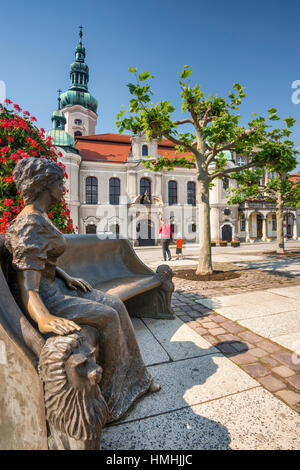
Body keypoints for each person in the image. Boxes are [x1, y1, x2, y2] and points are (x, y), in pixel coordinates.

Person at [5, 157, 160, 424]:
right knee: (109, 317)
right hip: (49, 298)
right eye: (59, 183)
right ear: (45, 185)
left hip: (59, 286)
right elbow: (27, 285)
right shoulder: (29, 223)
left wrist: (66, 275)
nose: (64, 188)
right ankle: (111, 396)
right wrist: (43, 318)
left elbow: (44, 263)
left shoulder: (40, 217)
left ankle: (136, 381)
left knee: (116, 304)